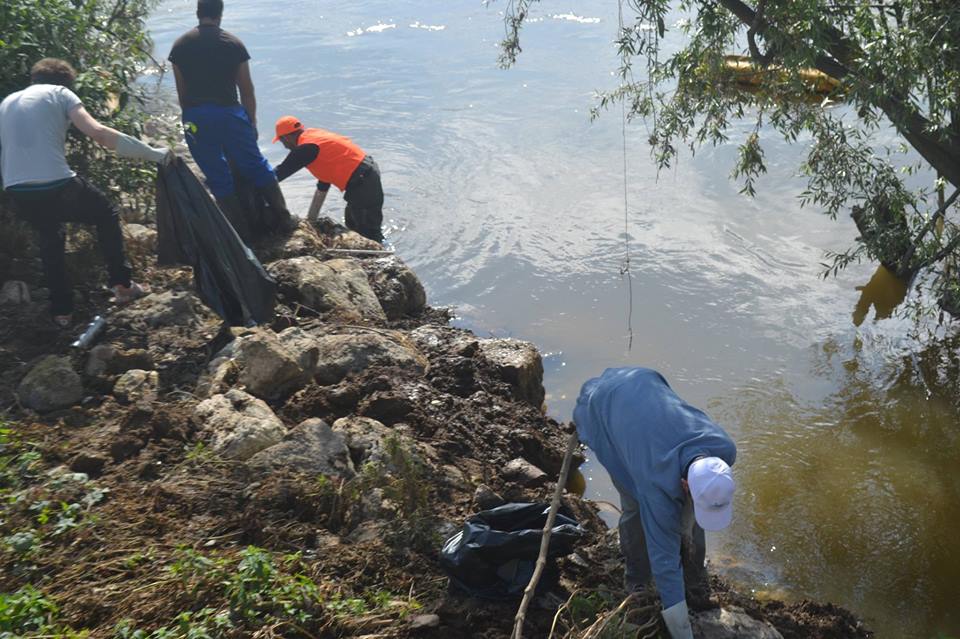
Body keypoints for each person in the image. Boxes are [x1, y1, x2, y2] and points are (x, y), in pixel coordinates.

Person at [0, 58, 171, 327]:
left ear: (33, 80)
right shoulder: (61, 93)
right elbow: (99, 134)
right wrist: (154, 154)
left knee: (50, 236)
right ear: (66, 82)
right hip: (55, 182)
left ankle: (61, 311)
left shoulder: (7, 101)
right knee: (105, 213)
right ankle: (122, 284)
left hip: (16, 187)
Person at [572, 367, 737, 639]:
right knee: (635, 507)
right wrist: (682, 633)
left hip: (644, 381)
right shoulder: (655, 486)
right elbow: (665, 563)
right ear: (685, 485)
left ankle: (695, 576)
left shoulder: (724, 449)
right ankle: (636, 580)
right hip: (605, 407)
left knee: (693, 509)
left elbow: (703, 494)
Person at [168, 0, 294, 239]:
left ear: (198, 13)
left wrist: (193, 122)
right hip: (229, 113)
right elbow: (247, 90)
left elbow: (182, 94)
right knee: (256, 165)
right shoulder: (233, 43)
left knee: (217, 175)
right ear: (220, 14)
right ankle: (283, 220)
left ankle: (241, 236)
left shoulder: (180, 46)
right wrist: (252, 123)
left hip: (196, 116)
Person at [272, 116, 385, 243]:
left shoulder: (305, 148)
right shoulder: (314, 136)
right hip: (366, 175)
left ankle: (386, 258)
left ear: (286, 138)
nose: (286, 147)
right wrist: (311, 221)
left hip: (363, 181)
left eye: (283, 142)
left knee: (369, 233)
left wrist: (252, 184)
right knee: (353, 224)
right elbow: (324, 181)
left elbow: (279, 174)